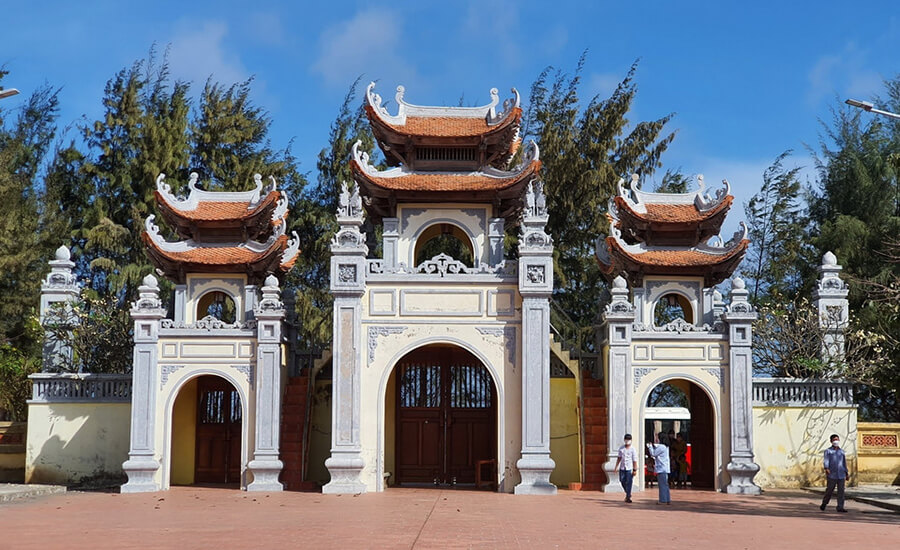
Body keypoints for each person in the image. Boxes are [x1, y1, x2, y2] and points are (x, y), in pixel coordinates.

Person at [820, 434, 849, 513]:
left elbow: (844, 463)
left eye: (837, 439)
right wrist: (826, 468)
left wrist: (846, 473)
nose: (836, 441)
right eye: (834, 440)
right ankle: (824, 503)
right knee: (829, 490)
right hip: (832, 474)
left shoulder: (841, 452)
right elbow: (826, 460)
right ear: (831, 441)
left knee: (841, 491)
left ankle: (840, 506)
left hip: (841, 474)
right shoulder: (828, 451)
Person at [647, 432, 671, 504]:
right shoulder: (665, 446)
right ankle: (667, 499)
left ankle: (663, 500)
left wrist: (650, 446)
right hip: (664, 468)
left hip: (661, 468)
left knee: (662, 485)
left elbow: (653, 454)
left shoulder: (661, 447)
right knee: (665, 484)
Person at [614, 433, 638, 503]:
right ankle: (628, 492)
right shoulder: (621, 448)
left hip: (629, 468)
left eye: (629, 439)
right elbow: (619, 458)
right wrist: (616, 467)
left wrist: (634, 470)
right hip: (622, 467)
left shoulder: (633, 449)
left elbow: (634, 460)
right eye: (626, 439)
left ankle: (628, 496)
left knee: (629, 482)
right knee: (622, 480)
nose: (627, 441)